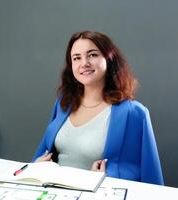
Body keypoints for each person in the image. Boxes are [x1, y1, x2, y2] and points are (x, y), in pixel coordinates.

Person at [31, 30, 164, 185]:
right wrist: (37, 167)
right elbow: (45, 152)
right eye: (76, 58)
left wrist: (103, 179)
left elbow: (147, 174)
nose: (84, 63)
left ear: (109, 59)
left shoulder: (133, 113)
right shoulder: (63, 104)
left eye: (92, 55)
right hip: (54, 191)